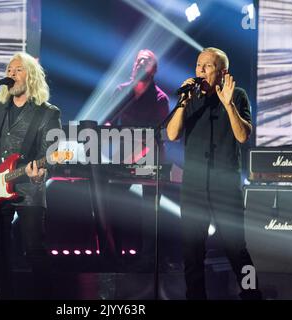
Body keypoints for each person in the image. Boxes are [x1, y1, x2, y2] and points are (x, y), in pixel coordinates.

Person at [166, 47, 262, 300]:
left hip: (225, 186)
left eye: (207, 66)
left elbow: (243, 135)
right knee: (191, 251)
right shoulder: (191, 98)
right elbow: (172, 134)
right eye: (199, 65)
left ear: (222, 73)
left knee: (236, 249)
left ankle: (253, 294)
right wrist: (183, 102)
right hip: (194, 187)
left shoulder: (238, 96)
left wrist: (229, 104)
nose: (200, 70)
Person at [0, 52, 61, 299]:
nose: (11, 73)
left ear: (31, 76)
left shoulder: (47, 112)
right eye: (9, 69)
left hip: (28, 188)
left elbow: (51, 155)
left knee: (34, 251)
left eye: (18, 69)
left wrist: (39, 173)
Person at [107, 49, 169, 269]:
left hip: (150, 157)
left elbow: (160, 132)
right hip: (123, 156)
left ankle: (149, 257)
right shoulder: (121, 91)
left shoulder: (160, 97)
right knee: (112, 202)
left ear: (153, 69)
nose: (140, 63)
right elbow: (109, 122)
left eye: (147, 60)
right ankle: (115, 254)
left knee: (150, 208)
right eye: (138, 60)